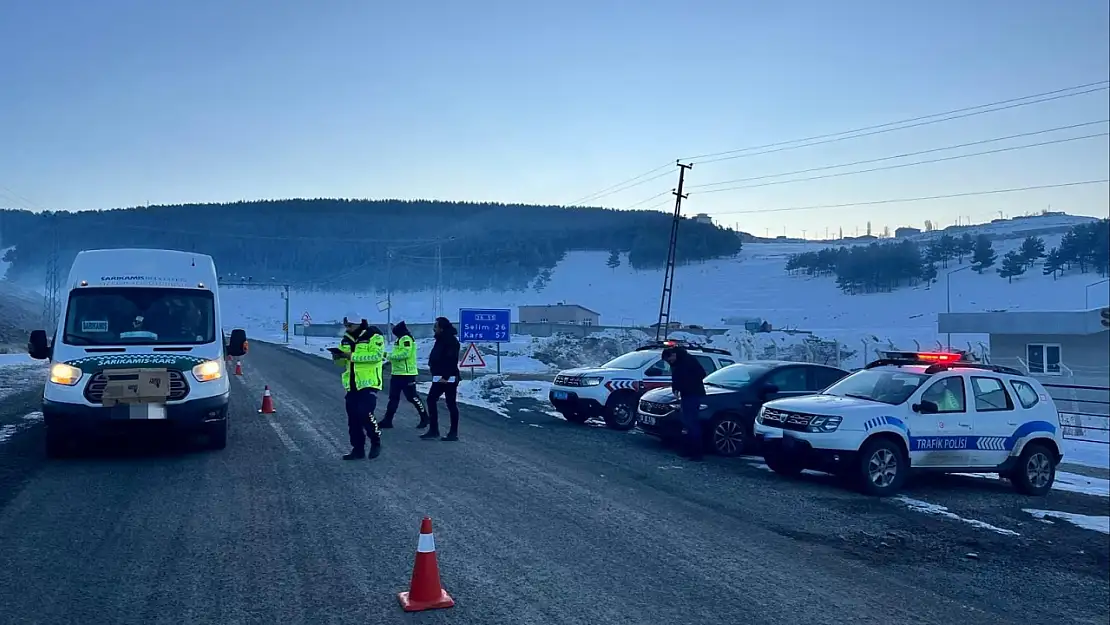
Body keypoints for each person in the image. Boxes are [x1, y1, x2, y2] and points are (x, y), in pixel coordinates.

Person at [335, 316, 385, 460]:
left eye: (350, 325)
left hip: (368, 382)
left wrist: (352, 356)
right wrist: (338, 357)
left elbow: (376, 356)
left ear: (358, 323)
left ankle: (376, 441)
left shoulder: (374, 335)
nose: (347, 328)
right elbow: (342, 363)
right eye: (345, 325)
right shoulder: (346, 338)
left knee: (365, 413)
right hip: (352, 384)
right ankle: (358, 449)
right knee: (353, 419)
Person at [380, 320, 430, 429]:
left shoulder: (406, 339)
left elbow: (404, 354)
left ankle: (425, 417)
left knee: (412, 397)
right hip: (397, 373)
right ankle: (387, 420)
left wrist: (386, 355)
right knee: (393, 398)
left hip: (407, 374)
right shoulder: (400, 340)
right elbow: (397, 355)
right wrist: (388, 363)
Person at [662, 345, 708, 461]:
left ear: (673, 355)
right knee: (686, 423)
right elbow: (676, 379)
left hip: (692, 394)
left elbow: (701, 374)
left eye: (669, 360)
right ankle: (688, 449)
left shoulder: (688, 360)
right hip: (685, 394)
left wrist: (686, 385)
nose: (669, 363)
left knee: (692, 423)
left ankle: (697, 452)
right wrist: (676, 388)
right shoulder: (676, 364)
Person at [422, 317, 461, 441]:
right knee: (431, 400)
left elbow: (450, 361)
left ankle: (452, 433)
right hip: (439, 376)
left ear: (442, 328)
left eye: (436, 326)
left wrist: (445, 377)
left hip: (447, 377)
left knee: (450, 403)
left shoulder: (451, 341)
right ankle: (434, 430)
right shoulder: (440, 340)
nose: (434, 329)